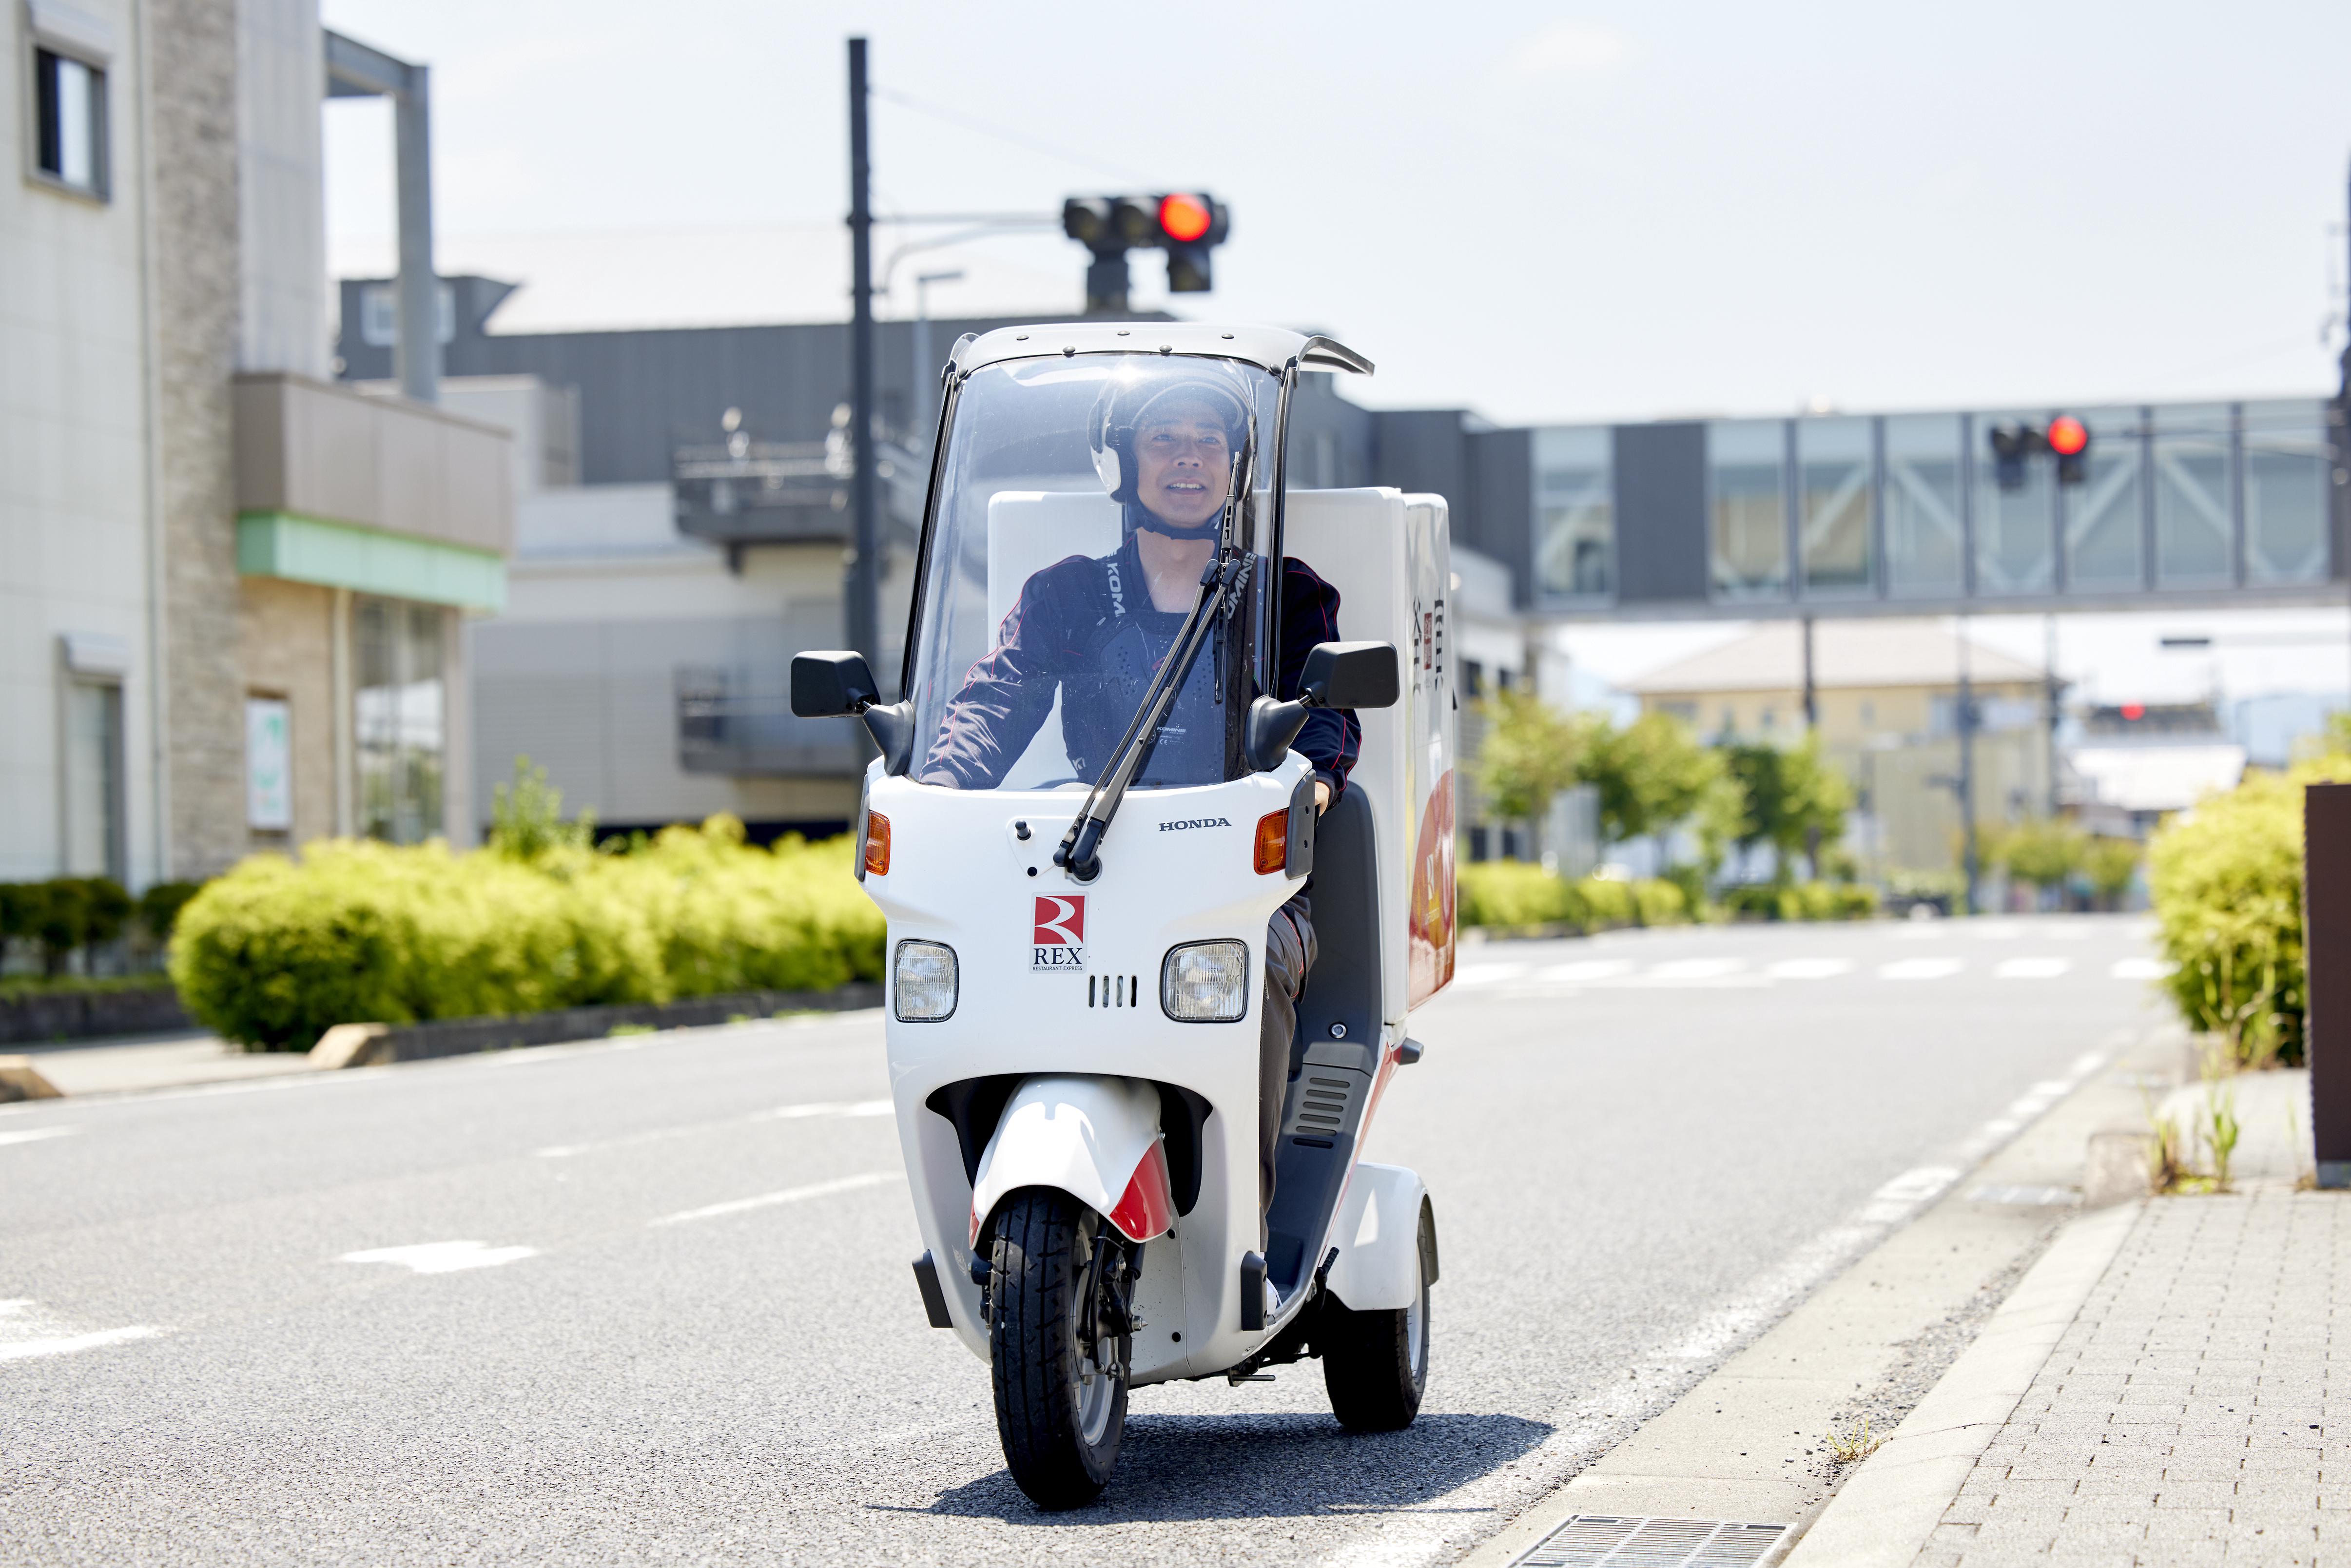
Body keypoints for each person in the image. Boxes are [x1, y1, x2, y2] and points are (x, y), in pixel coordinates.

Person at [919, 373, 1359, 1236]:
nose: (1189, 455)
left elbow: (1327, 717)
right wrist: (936, 788)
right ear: (1121, 461)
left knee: (1258, 952)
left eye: (1209, 438)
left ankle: (1245, 1221)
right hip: (1101, 858)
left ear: (1235, 465)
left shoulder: (1286, 594)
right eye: (1164, 437)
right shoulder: (1067, 593)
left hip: (1244, 874)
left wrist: (1305, 785)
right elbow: (993, 702)